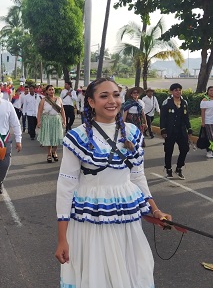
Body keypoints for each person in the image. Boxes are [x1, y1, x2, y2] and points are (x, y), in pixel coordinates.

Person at [55, 78, 172, 288]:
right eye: (104, 96)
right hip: (90, 219)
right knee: (96, 274)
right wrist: (62, 238)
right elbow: (66, 186)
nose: (112, 101)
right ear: (91, 102)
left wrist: (155, 210)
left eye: (116, 95)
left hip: (126, 219)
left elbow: (137, 176)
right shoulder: (77, 137)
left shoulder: (133, 133)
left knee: (134, 271)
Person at [159, 83, 192, 180]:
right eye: (176, 90)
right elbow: (163, 117)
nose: (178, 92)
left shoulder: (184, 102)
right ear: (171, 92)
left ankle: (179, 167)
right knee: (169, 150)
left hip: (181, 130)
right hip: (170, 130)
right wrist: (163, 129)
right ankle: (168, 169)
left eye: (179, 90)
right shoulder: (167, 102)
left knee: (185, 148)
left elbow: (186, 117)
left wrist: (189, 128)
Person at [37, 85, 65, 163]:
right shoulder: (43, 100)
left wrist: (64, 120)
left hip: (57, 119)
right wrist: (38, 121)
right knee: (48, 137)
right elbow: (39, 112)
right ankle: (49, 153)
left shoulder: (59, 99)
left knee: (57, 136)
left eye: (52, 89)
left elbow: (62, 110)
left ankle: (54, 151)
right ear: (46, 91)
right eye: (49, 90)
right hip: (47, 120)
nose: (51, 91)